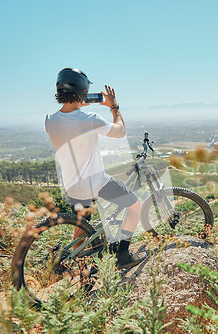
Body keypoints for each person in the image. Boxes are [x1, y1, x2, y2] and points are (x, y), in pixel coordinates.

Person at [45, 67, 146, 269]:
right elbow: (120, 132)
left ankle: (72, 260)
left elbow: (70, 123)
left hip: (72, 185)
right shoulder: (89, 119)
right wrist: (114, 106)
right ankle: (124, 255)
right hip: (94, 183)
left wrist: (78, 102)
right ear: (83, 93)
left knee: (82, 224)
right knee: (136, 208)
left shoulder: (49, 120)